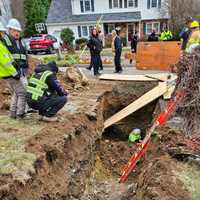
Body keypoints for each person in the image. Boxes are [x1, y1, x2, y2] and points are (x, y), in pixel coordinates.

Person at [2, 19, 28, 119]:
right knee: (23, 93)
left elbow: (25, 56)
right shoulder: (5, 41)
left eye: (18, 31)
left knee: (17, 93)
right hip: (13, 72)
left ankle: (13, 113)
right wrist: (14, 72)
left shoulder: (21, 41)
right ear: (9, 30)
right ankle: (20, 114)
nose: (17, 33)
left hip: (22, 72)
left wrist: (26, 70)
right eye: (14, 30)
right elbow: (5, 59)